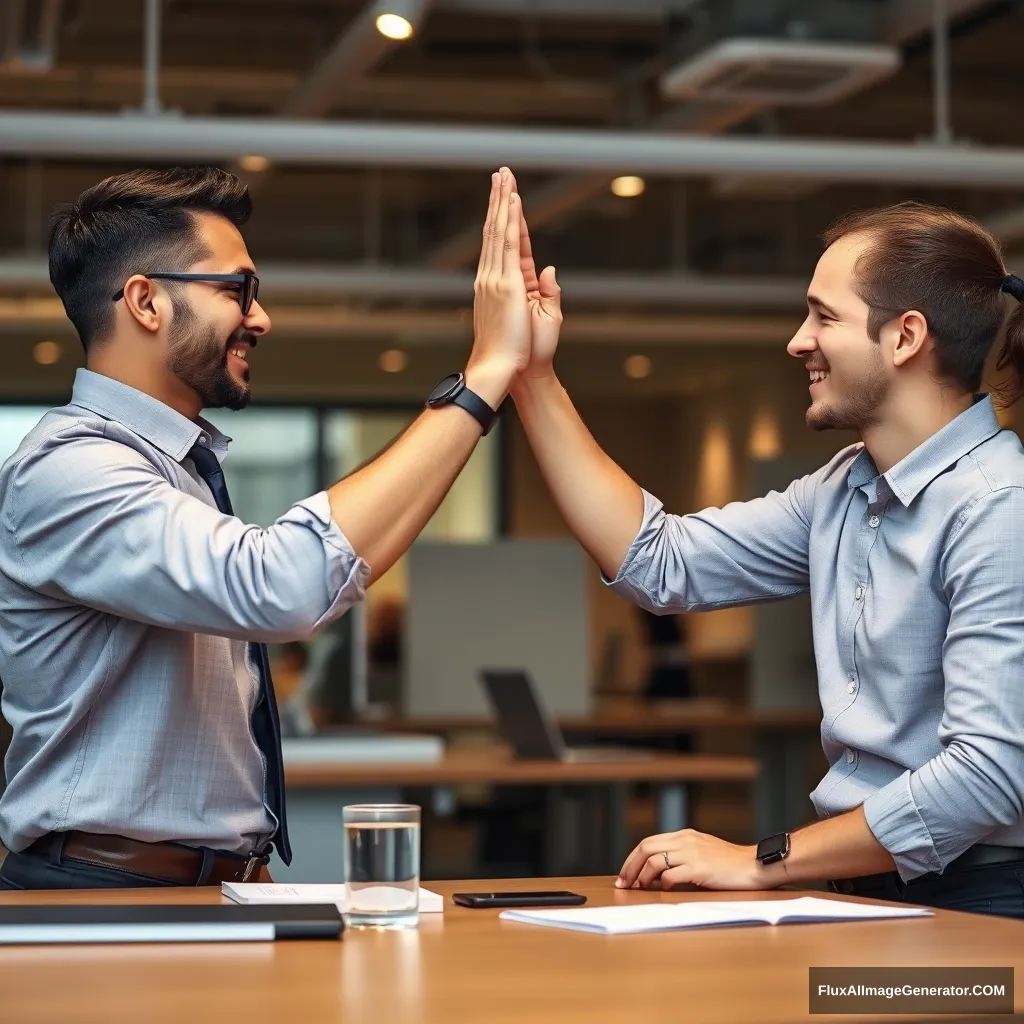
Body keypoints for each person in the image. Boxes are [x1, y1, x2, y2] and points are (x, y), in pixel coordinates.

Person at [0, 164, 530, 888]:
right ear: (145, 301)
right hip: (107, 893)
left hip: (207, 886)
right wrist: (481, 379)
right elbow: (277, 586)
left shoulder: (176, 470)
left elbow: (324, 573)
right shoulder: (68, 470)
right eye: (237, 290)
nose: (261, 317)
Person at [511, 190, 1024, 918]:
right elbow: (664, 562)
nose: (797, 340)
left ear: (906, 336)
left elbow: (987, 777)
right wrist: (534, 378)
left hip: (979, 903)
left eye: (823, 316)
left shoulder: (998, 504)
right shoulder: (845, 488)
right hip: (864, 887)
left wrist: (763, 861)